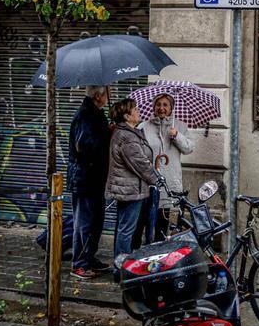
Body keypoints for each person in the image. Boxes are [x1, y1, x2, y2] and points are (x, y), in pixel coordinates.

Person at [106, 97, 156, 277]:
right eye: (135, 109)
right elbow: (139, 163)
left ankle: (121, 266)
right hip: (130, 190)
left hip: (131, 188)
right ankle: (121, 269)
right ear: (127, 116)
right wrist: (156, 179)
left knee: (124, 228)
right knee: (126, 230)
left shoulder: (129, 132)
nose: (138, 111)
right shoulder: (126, 136)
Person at [68, 85, 112, 280]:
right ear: (98, 96)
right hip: (85, 178)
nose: (109, 96)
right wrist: (107, 135)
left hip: (96, 178)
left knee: (96, 221)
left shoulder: (96, 113)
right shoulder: (86, 114)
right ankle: (79, 263)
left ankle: (89, 256)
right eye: (107, 92)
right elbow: (83, 144)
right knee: (84, 222)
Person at [142, 93, 195, 241]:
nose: (161, 108)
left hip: (169, 182)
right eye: (158, 105)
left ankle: (159, 254)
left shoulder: (180, 126)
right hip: (149, 182)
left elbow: (189, 148)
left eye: (165, 105)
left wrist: (177, 135)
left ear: (172, 107)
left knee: (163, 223)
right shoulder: (144, 126)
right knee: (146, 221)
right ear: (153, 107)